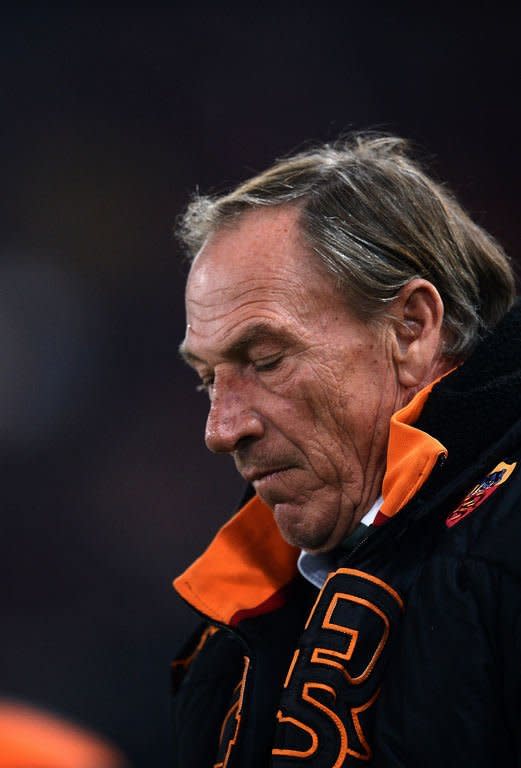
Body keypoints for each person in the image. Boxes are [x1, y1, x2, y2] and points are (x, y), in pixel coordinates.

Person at [171, 134, 521, 767]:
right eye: (208, 378)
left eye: (266, 359)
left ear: (411, 329)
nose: (220, 431)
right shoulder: (229, 631)